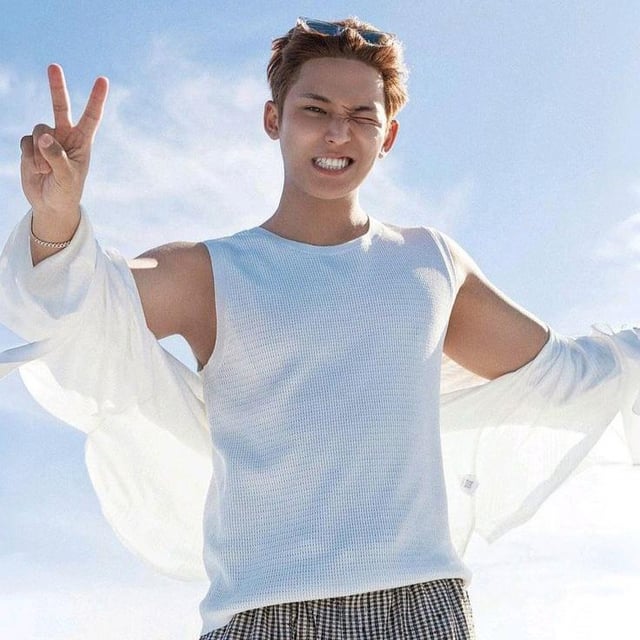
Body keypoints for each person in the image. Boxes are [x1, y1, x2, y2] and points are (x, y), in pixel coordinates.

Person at [1, 16, 639, 640]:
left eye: (363, 116)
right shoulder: (207, 272)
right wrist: (56, 216)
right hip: (261, 614)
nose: (338, 133)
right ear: (273, 119)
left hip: (419, 610)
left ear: (388, 136)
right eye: (315, 110)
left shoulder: (429, 265)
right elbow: (78, 310)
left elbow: (563, 373)